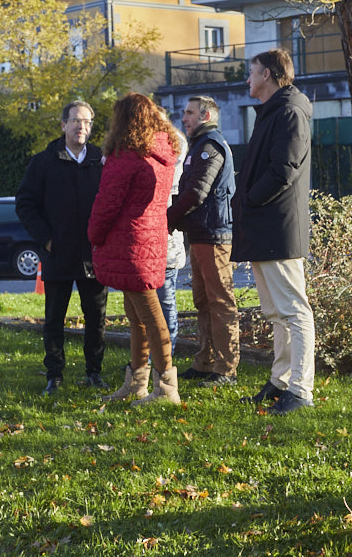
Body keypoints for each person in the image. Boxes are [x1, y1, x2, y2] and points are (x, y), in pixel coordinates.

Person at [233, 48, 316, 415]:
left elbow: (284, 169)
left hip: (279, 228)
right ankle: (281, 381)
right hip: (265, 227)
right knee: (276, 312)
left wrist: (249, 199)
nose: (247, 79)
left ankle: (300, 389)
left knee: (294, 310)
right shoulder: (272, 111)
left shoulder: (289, 110)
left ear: (267, 73)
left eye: (251, 72)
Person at [90, 92, 181, 406]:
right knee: (137, 314)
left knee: (150, 316)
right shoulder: (161, 152)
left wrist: (93, 235)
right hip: (152, 240)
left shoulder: (126, 155)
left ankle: (166, 387)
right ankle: (137, 382)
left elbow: (106, 203)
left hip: (130, 243)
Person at [16, 101, 110, 396]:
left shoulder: (101, 160)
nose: (82, 126)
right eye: (76, 121)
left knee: (96, 318)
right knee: (54, 319)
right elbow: (25, 204)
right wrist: (46, 239)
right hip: (58, 254)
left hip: (93, 255)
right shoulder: (44, 162)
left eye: (87, 122)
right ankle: (54, 375)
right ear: (63, 125)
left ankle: (94, 372)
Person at [168, 96, 241, 388]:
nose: (183, 118)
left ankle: (226, 369)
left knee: (220, 301)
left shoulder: (209, 147)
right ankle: (205, 362)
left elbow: (196, 193)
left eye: (189, 113)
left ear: (206, 115)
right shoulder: (199, 146)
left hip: (214, 235)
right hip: (200, 234)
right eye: (184, 113)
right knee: (203, 301)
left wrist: (166, 218)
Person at [155, 124, 188, 356]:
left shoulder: (174, 142)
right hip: (156, 241)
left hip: (167, 243)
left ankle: (166, 355)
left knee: (166, 300)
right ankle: (152, 357)